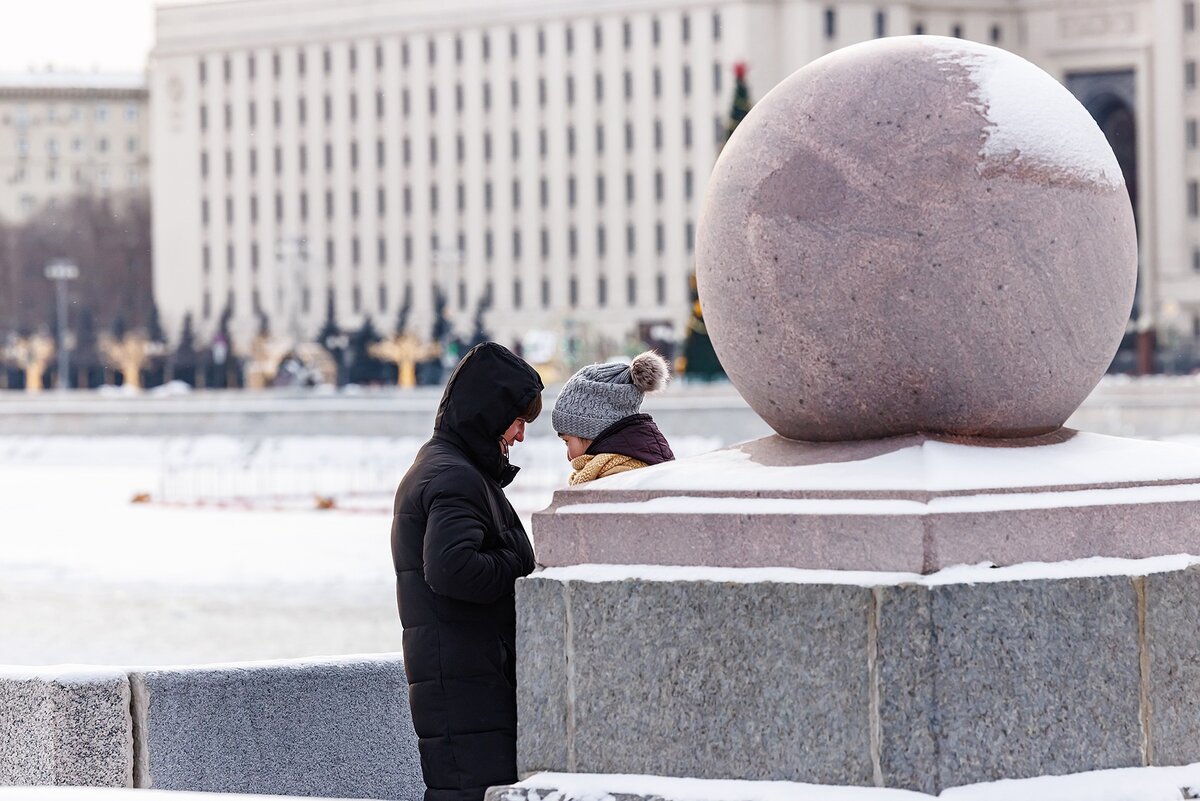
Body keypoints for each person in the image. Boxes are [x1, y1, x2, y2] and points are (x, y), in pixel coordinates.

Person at [391, 341, 543, 801]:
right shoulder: (455, 477)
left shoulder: (448, 468)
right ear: (488, 412)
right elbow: (453, 568)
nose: (519, 435)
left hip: (464, 688)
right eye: (517, 420)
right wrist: (520, 561)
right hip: (469, 697)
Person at [553, 351, 675, 485]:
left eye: (567, 442)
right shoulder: (633, 466)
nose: (569, 457)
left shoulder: (614, 480)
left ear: (591, 431)